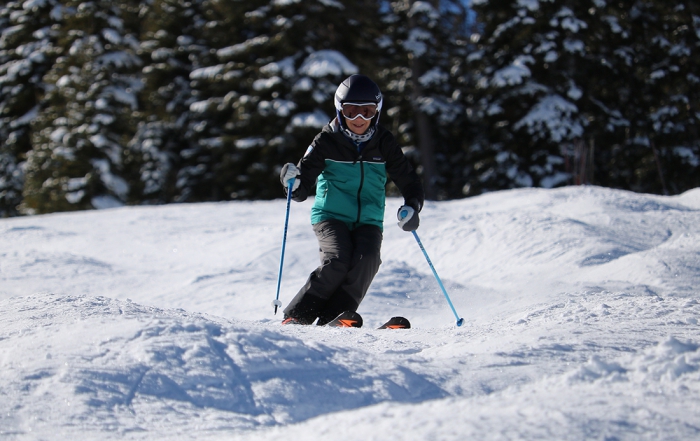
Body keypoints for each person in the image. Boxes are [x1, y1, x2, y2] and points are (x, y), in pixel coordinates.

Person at [278, 74, 424, 326]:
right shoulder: (326, 140)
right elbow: (300, 189)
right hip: (331, 216)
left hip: (369, 218)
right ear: (339, 110)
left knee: (367, 261)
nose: (359, 119)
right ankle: (297, 316)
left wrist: (412, 207)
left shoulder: (384, 142)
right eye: (351, 111)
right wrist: (292, 180)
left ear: (376, 113)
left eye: (367, 112)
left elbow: (409, 180)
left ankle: (333, 318)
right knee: (338, 260)